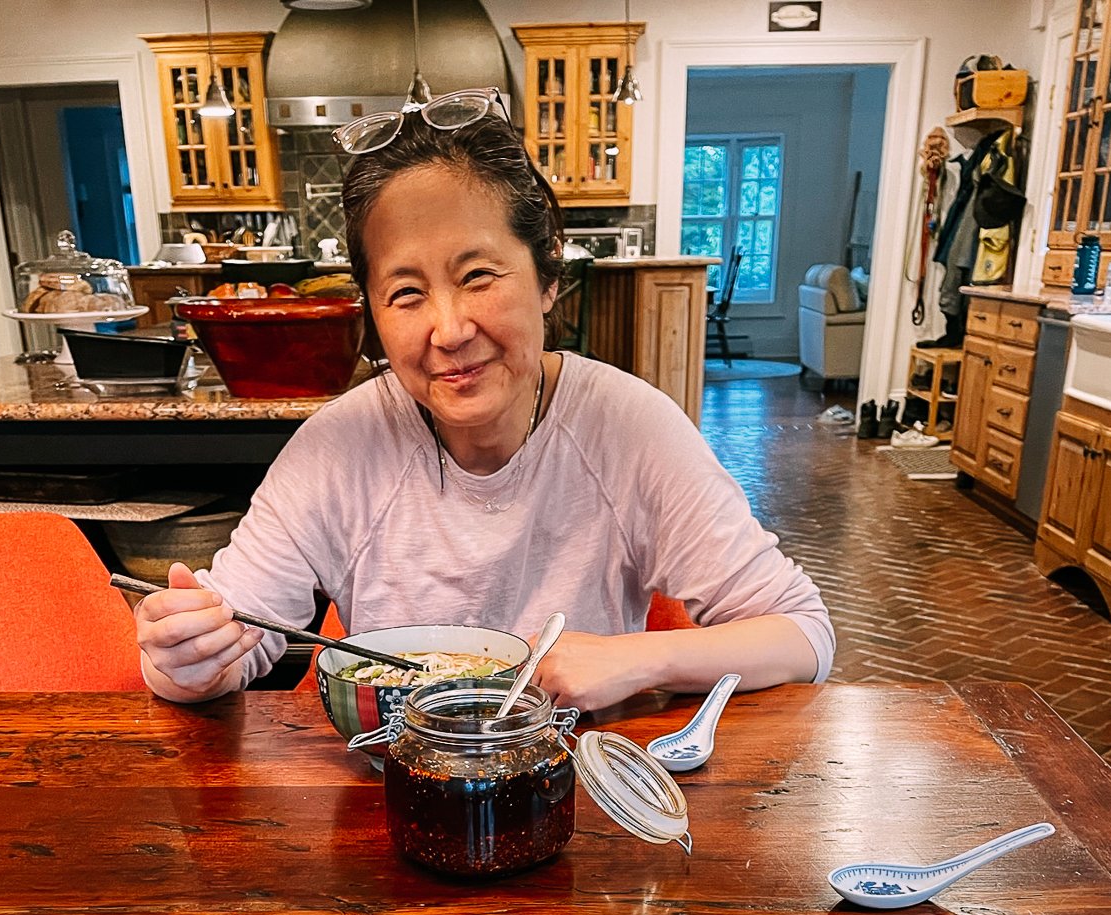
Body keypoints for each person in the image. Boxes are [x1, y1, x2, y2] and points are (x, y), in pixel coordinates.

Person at [136, 94, 833, 712]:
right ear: (374, 313)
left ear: (547, 275)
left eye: (478, 276)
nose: (449, 331)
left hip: (575, 786)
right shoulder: (336, 446)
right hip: (387, 791)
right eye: (406, 293)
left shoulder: (629, 427)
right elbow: (234, 647)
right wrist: (184, 658)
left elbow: (802, 635)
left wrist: (635, 659)